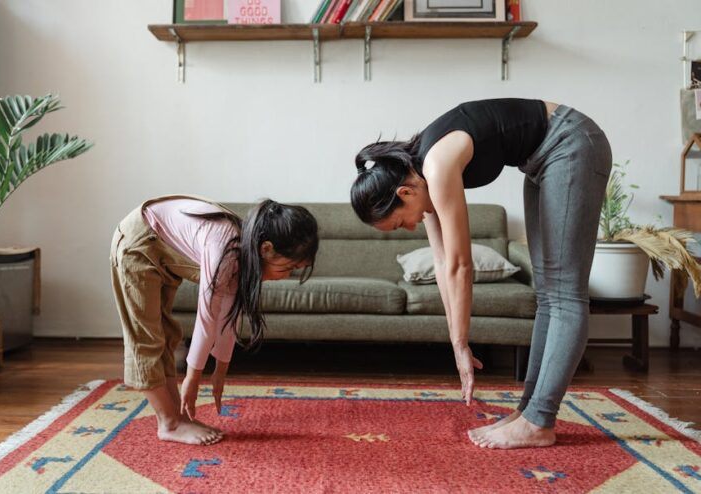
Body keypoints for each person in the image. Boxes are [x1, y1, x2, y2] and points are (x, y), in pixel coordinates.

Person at [350, 99, 612, 449]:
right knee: (549, 294)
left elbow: (461, 265)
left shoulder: (437, 166)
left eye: (400, 221)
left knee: (564, 293)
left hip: (571, 143)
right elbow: (442, 263)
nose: (409, 226)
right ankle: (529, 413)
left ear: (404, 193)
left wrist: (461, 344)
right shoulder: (419, 177)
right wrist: (455, 340)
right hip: (541, 160)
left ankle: (539, 421)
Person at [110, 195, 319, 445]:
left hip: (161, 250)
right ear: (267, 248)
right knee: (146, 339)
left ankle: (177, 419)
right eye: (288, 267)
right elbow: (207, 316)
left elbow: (227, 316)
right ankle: (170, 423)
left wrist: (220, 371)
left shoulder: (244, 256)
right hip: (139, 243)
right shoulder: (226, 249)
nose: (286, 276)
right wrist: (193, 377)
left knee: (166, 335)